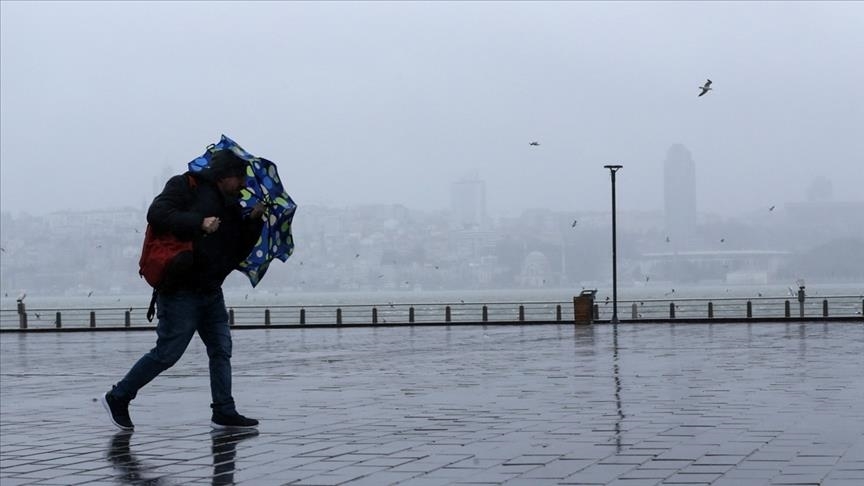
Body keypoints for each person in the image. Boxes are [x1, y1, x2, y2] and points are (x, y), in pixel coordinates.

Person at [101, 149, 264, 431]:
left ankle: (224, 411)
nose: (244, 185)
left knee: (221, 349)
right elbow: (157, 213)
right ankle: (119, 396)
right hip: (180, 290)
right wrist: (199, 223)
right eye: (240, 178)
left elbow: (238, 251)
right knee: (168, 353)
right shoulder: (184, 185)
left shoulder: (233, 207)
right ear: (224, 176)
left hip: (211, 291)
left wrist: (254, 221)